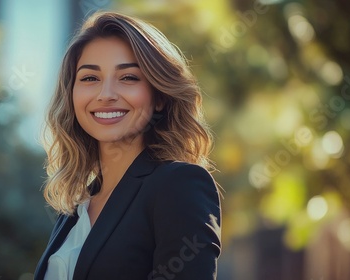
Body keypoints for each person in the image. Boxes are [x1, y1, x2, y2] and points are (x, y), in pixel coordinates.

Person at [34, 11, 221, 280]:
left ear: (159, 97)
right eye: (90, 78)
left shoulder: (179, 185)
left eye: (128, 77)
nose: (106, 94)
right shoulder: (78, 206)